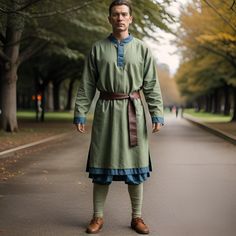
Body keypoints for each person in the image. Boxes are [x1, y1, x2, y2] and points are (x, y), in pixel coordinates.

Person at [73, 0, 164, 234]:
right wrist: (81, 113)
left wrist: (156, 113)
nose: (120, 18)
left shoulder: (142, 49)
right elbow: (87, 84)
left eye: (124, 14)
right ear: (109, 19)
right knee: (102, 166)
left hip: (134, 110)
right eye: (116, 14)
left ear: (131, 19)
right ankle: (97, 217)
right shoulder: (97, 48)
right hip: (106, 112)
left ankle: (137, 217)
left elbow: (151, 84)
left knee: (136, 167)